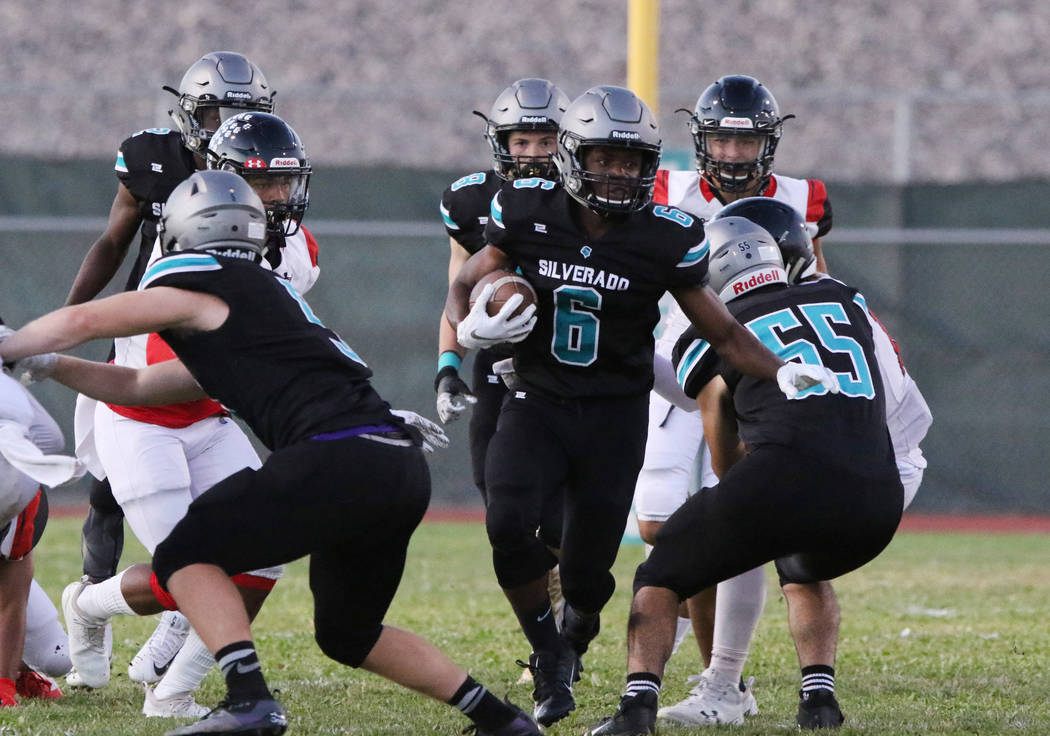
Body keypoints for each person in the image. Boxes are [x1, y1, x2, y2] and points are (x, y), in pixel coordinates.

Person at [1, 169, 542, 736]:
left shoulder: (202, 277)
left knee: (185, 552)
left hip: (335, 453)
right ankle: (500, 719)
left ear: (181, 234)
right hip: (394, 462)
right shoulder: (264, 296)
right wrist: (49, 365)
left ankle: (249, 699)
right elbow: (142, 385)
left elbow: (85, 318)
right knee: (348, 635)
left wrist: (11, 343)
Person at [444, 85, 838, 727]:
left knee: (589, 575)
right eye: (604, 157)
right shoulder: (523, 208)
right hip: (535, 397)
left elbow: (725, 333)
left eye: (631, 161)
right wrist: (469, 330)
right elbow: (467, 279)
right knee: (507, 524)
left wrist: (782, 371)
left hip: (614, 410)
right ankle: (549, 653)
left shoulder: (666, 235)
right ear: (574, 155)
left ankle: (573, 631)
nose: (618, 173)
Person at [586, 214, 906, 736]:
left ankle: (636, 709)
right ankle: (818, 699)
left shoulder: (706, 335)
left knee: (659, 576)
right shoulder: (844, 298)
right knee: (802, 566)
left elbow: (722, 452)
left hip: (784, 474)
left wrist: (748, 504)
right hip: (877, 493)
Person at [64, 112, 319, 719]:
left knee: (267, 550)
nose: (279, 196)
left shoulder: (298, 249)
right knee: (192, 566)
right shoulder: (190, 243)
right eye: (263, 183)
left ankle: (174, 689)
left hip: (209, 417)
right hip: (141, 414)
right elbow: (162, 368)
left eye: (285, 181)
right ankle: (88, 606)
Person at [633, 74, 833, 725]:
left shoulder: (803, 199)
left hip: (756, 368)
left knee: (745, 521)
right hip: (679, 359)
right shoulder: (663, 187)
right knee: (660, 521)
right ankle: (698, 628)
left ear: (769, 144)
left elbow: (817, 278)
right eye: (721, 140)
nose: (734, 156)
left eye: (746, 143)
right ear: (701, 140)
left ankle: (725, 679)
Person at [436, 79, 570, 638]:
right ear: (501, 144)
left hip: (571, 364)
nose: (534, 154)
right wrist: (448, 365)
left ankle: (566, 610)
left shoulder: (587, 197)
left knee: (561, 510)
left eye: (544, 142)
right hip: (498, 365)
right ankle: (551, 603)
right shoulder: (470, 202)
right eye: (522, 142)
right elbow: (456, 294)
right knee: (499, 505)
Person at [0, 343, 80, 706]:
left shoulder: (17, 491)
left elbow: (11, 601)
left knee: (57, 657)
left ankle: (18, 670)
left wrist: (3, 684)